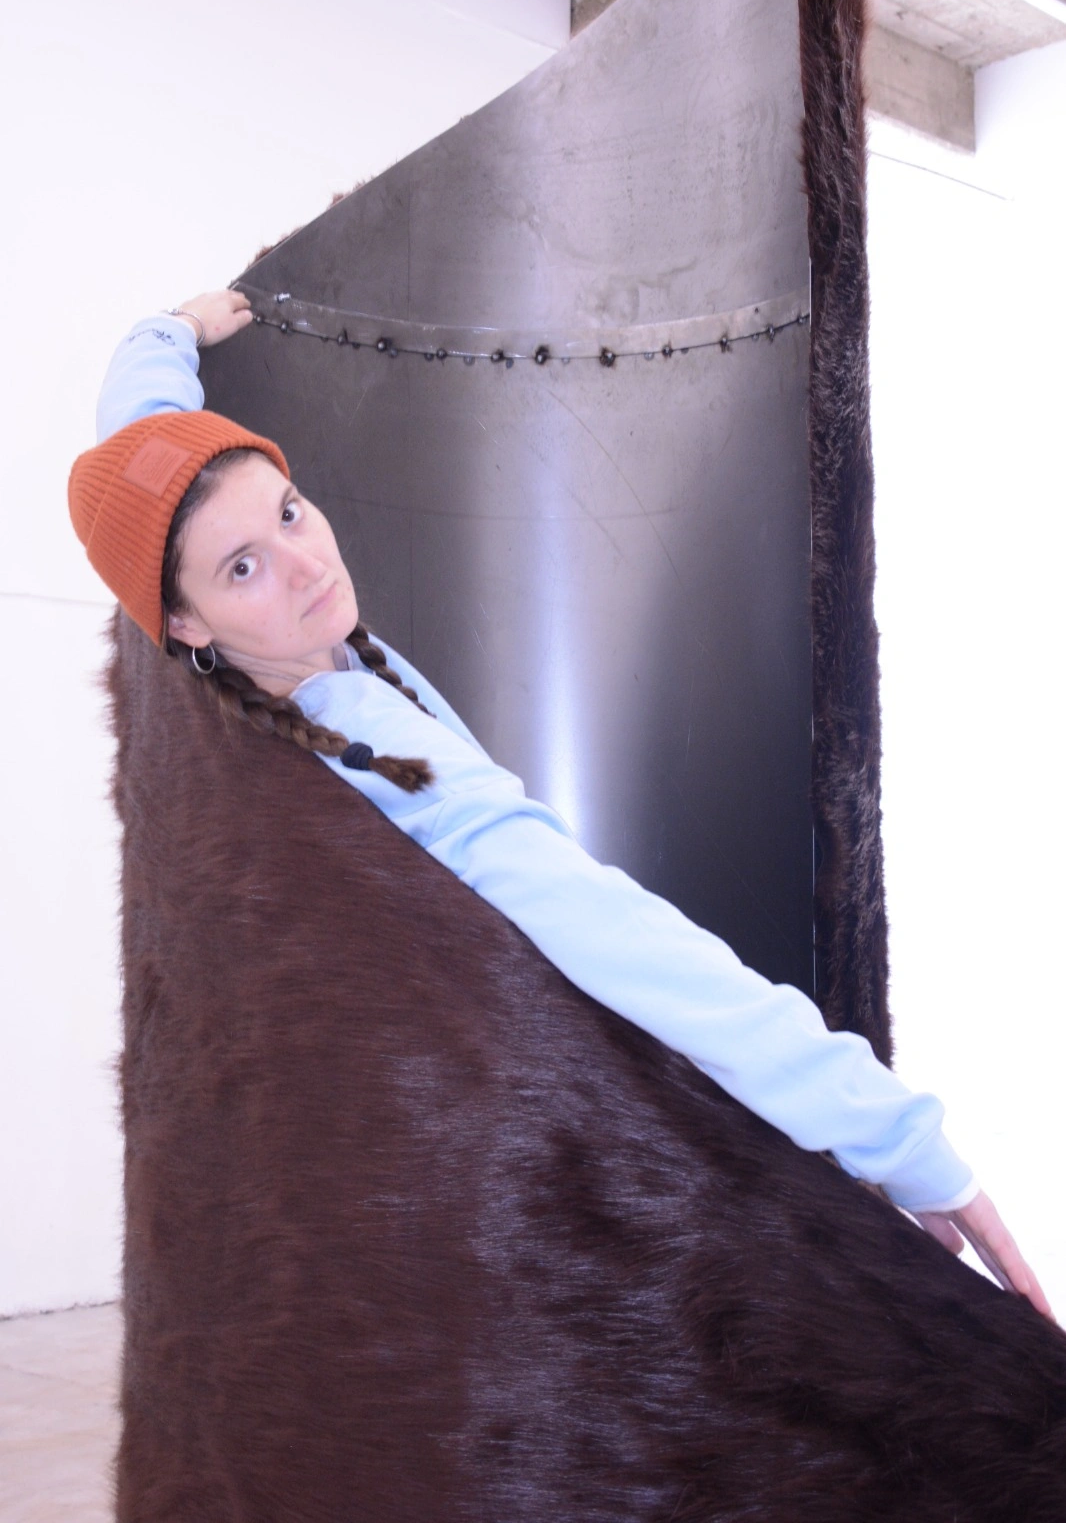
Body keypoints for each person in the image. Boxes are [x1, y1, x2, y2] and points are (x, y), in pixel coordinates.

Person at [70, 286, 1053, 1320]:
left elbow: (138, 429)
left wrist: (169, 333)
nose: (306, 564)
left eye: (287, 510)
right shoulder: (381, 751)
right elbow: (626, 942)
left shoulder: (231, 633)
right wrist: (896, 1136)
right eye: (244, 568)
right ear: (184, 621)